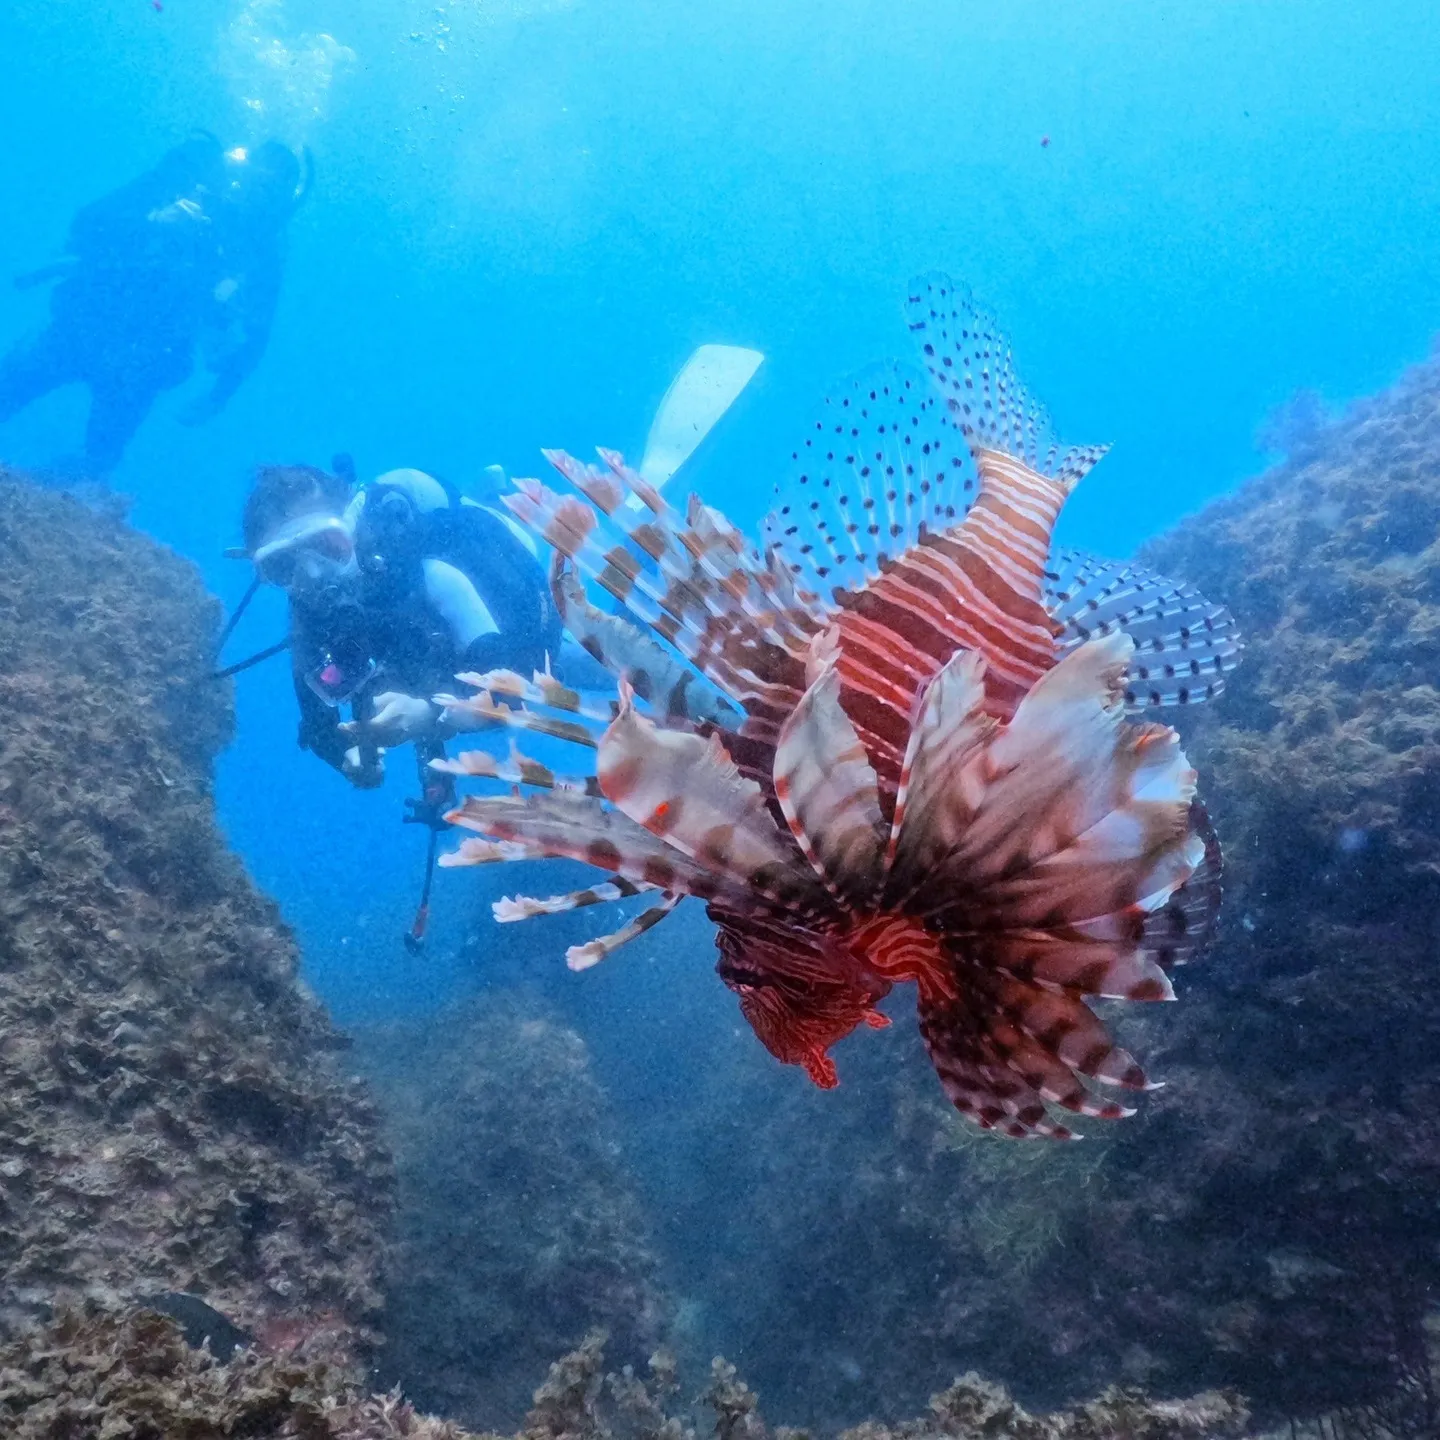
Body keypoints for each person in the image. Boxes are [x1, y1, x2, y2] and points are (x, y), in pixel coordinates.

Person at [0, 133, 307, 476]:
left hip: (141, 363)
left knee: (95, 461)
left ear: (281, 202)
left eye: (270, 188)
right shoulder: (182, 187)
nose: (254, 191)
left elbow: (255, 332)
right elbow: (88, 224)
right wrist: (159, 201)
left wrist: (219, 395)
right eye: (256, 175)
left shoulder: (263, 250)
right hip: (83, 326)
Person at [240, 460, 562, 789]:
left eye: (325, 545)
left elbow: (519, 687)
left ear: (351, 522)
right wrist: (346, 759)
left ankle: (492, 498)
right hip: (429, 668)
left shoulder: (424, 574)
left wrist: (429, 717)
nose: (313, 574)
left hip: (503, 623)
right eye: (283, 565)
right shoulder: (307, 612)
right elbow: (319, 723)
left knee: (588, 661)